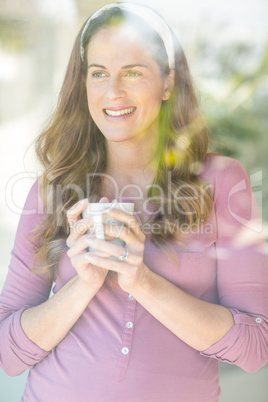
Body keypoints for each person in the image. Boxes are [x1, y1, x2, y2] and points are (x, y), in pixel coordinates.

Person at [0, 2, 267, 401]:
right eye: (99, 73)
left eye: (133, 72)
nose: (113, 92)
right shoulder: (52, 188)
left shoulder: (222, 182)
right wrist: (83, 283)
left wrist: (142, 282)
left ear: (167, 82)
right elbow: (8, 354)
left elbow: (255, 348)